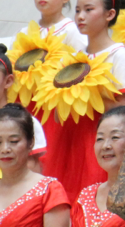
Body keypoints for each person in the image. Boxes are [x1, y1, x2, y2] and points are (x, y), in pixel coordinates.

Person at [43, 0, 125, 199]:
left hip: (98, 142)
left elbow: (122, 107)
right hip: (66, 142)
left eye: (89, 10)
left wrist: (85, 99)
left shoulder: (118, 55)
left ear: (109, 14)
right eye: (78, 10)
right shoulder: (72, 59)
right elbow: (57, 114)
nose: (80, 16)